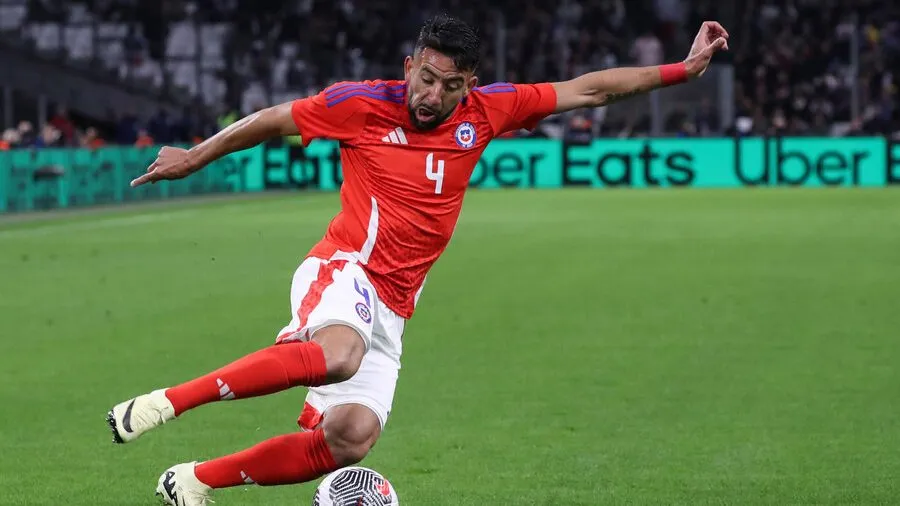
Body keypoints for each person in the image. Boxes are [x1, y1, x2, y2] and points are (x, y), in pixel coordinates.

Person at [107, 14, 728, 505]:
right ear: (409, 66)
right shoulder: (359, 104)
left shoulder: (488, 111)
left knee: (351, 438)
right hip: (342, 266)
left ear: (470, 85)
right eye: (425, 78)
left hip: (394, 306)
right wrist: (193, 157)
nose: (432, 95)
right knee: (338, 355)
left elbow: (589, 89)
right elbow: (272, 120)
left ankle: (194, 482)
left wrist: (683, 69)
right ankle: (168, 401)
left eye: (450, 85)